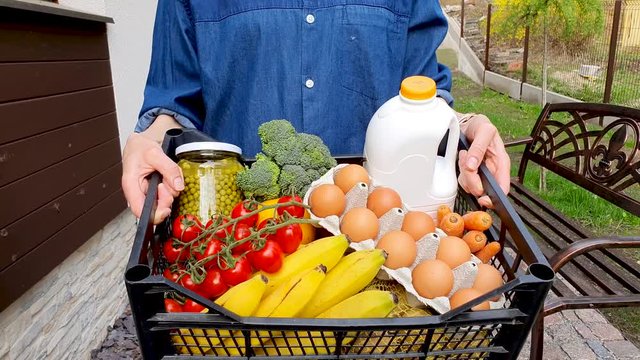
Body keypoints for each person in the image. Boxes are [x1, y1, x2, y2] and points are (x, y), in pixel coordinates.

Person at [122, 0, 510, 224]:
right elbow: (173, 107)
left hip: (378, 240)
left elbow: (423, 98)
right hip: (240, 239)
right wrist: (147, 141)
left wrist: (465, 125)